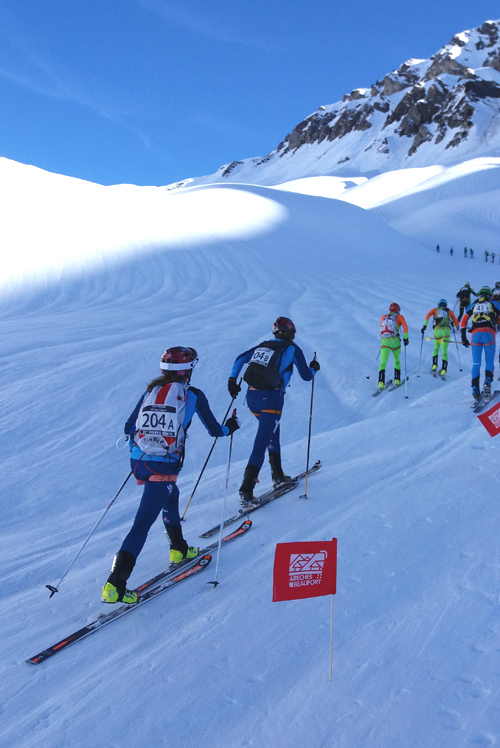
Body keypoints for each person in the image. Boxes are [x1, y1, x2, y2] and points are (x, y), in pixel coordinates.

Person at [101, 346, 240, 604]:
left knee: (171, 495)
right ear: (186, 370)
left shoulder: (151, 391)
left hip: (139, 460)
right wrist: (230, 427)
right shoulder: (193, 395)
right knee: (141, 524)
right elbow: (215, 431)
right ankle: (115, 585)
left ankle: (178, 549)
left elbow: (128, 427)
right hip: (163, 464)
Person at [227, 317, 319, 507]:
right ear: (291, 333)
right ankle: (246, 490)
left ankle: (277, 475)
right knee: (261, 442)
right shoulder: (293, 349)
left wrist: (232, 381)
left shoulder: (263, 346)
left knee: (271, 434)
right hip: (271, 399)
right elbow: (307, 376)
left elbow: (239, 360)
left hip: (251, 398)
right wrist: (314, 368)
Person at [461, 286, 500, 400]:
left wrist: (463, 337)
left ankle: (475, 389)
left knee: (476, 364)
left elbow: (463, 321)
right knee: (489, 361)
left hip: (476, 335)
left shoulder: (473, 305)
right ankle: (487, 382)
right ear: (489, 295)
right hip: (489, 333)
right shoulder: (494, 304)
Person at [420, 299, 459, 376]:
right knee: (444, 351)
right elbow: (457, 323)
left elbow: (427, 316)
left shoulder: (435, 310)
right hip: (446, 331)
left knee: (436, 348)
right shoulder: (449, 311)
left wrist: (424, 326)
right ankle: (444, 370)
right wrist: (452, 322)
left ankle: (434, 366)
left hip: (437, 331)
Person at [378, 303, 409, 390]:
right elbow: (405, 327)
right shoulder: (400, 317)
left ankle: (381, 383)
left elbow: (380, 327)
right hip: (395, 341)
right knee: (397, 360)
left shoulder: (383, 317)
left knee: (383, 362)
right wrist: (406, 339)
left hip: (385, 340)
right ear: (398, 310)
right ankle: (397, 380)